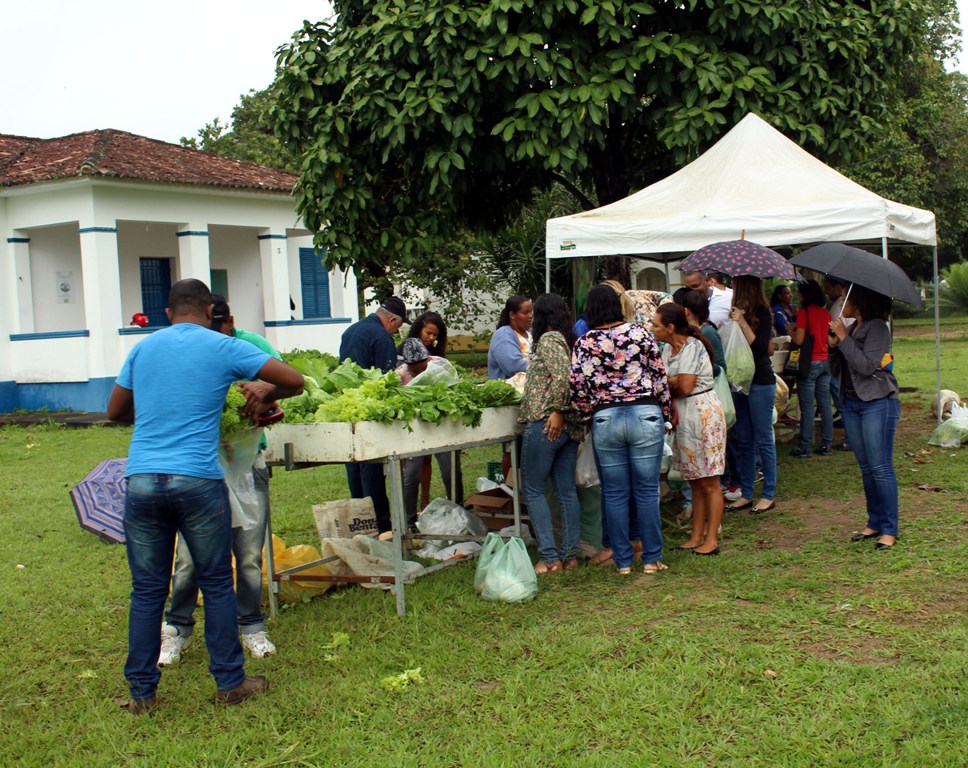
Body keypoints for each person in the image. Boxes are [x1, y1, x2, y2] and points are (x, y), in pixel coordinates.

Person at [107, 279, 304, 714]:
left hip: (142, 479)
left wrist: (160, 411)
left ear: (168, 312)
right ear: (211, 312)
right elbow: (294, 381)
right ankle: (230, 683)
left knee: (147, 590)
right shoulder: (223, 347)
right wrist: (266, 391)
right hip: (197, 479)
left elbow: (115, 411)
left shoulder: (143, 348)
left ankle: (142, 694)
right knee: (215, 582)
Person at [157, 295, 282, 667]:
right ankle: (176, 630)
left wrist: (265, 391)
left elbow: (289, 381)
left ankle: (252, 626)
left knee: (248, 555)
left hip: (248, 463)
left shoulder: (249, 346)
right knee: (188, 558)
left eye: (220, 329)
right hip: (200, 467)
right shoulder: (188, 350)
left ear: (230, 322)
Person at [570, 285, 672, 575]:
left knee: (614, 494)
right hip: (645, 414)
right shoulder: (641, 334)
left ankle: (623, 562)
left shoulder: (584, 342)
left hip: (605, 418)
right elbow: (659, 376)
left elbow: (577, 387)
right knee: (647, 492)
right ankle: (651, 559)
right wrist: (665, 414)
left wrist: (589, 415)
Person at [829, 285, 900, 550]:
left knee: (880, 467)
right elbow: (836, 370)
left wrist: (843, 338)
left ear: (858, 301)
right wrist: (834, 346)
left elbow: (868, 366)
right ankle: (875, 522)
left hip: (876, 402)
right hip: (851, 403)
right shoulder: (853, 328)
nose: (840, 303)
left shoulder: (877, 328)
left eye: (844, 298)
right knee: (867, 467)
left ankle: (889, 529)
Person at [652, 303, 727, 555]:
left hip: (703, 415)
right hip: (684, 416)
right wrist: (674, 381)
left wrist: (671, 381)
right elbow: (670, 382)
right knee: (694, 480)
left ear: (670, 328)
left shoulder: (693, 347)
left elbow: (684, 386)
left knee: (709, 480)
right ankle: (696, 535)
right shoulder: (667, 349)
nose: (652, 329)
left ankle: (711, 538)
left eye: (656, 325)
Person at [519, 293, 584, 574]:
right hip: (567, 426)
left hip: (547, 423)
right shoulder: (566, 341)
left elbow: (563, 378)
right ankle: (569, 555)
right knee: (565, 490)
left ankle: (549, 557)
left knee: (533, 489)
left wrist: (557, 410)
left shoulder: (548, 340)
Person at [339, 296, 408, 532]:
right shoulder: (382, 337)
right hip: (371, 411)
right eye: (398, 326)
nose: (396, 331)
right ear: (392, 320)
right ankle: (381, 525)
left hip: (349, 407)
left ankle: (361, 524)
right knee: (372, 468)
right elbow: (386, 380)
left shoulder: (350, 331)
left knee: (353, 463)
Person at [397, 339, 464, 524]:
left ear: (427, 360)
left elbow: (456, 390)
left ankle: (459, 513)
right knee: (411, 474)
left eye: (422, 368)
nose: (418, 374)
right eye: (414, 370)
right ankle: (408, 522)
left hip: (443, 427)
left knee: (450, 471)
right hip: (414, 431)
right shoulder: (400, 374)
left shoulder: (440, 366)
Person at [726, 276, 777, 514]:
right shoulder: (734, 311)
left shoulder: (762, 312)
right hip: (739, 382)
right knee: (743, 440)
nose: (732, 287)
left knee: (763, 439)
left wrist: (744, 323)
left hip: (760, 382)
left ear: (745, 286)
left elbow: (760, 349)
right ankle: (746, 492)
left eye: (735, 283)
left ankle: (768, 494)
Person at [789, 280, 833, 458]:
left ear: (804, 295)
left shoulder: (804, 313)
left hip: (809, 363)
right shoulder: (826, 313)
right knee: (824, 405)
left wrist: (790, 331)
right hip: (825, 361)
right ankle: (826, 443)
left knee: (807, 407)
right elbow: (828, 339)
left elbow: (799, 340)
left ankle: (804, 446)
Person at [824, 276, 855, 449]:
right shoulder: (839, 308)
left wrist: (839, 337)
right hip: (843, 359)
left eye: (844, 297)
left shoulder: (837, 308)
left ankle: (851, 439)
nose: (841, 301)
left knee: (843, 399)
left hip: (846, 361)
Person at [487, 295, 533, 379]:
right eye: (525, 313)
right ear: (512, 315)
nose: (530, 316)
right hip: (511, 386)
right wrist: (542, 369)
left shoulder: (531, 332)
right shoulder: (503, 335)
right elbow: (514, 367)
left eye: (531, 312)